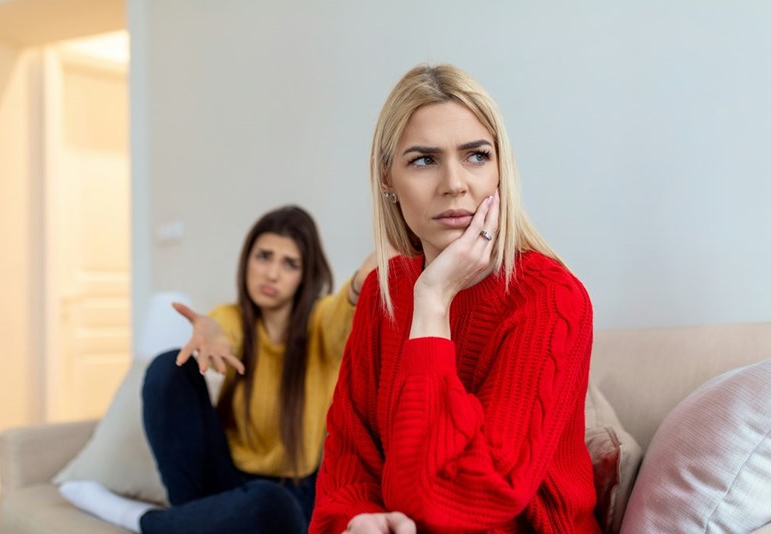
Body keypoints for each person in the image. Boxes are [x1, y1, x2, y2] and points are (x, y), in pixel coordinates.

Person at [309, 65, 600, 533]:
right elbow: (349, 459)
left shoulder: (551, 298)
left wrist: (432, 302)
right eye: (423, 160)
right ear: (387, 178)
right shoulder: (383, 295)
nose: (454, 183)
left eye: (476, 156)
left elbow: (467, 496)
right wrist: (357, 520)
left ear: (501, 168)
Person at [61, 205, 377, 533]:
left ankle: (143, 520)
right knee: (167, 368)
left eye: (290, 264)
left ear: (304, 275)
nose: (272, 274)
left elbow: (343, 309)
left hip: (291, 492)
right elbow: (225, 330)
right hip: (222, 476)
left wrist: (359, 283)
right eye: (264, 257)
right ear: (247, 262)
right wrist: (213, 333)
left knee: (271, 504)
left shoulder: (320, 322)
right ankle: (192, 516)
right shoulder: (232, 317)